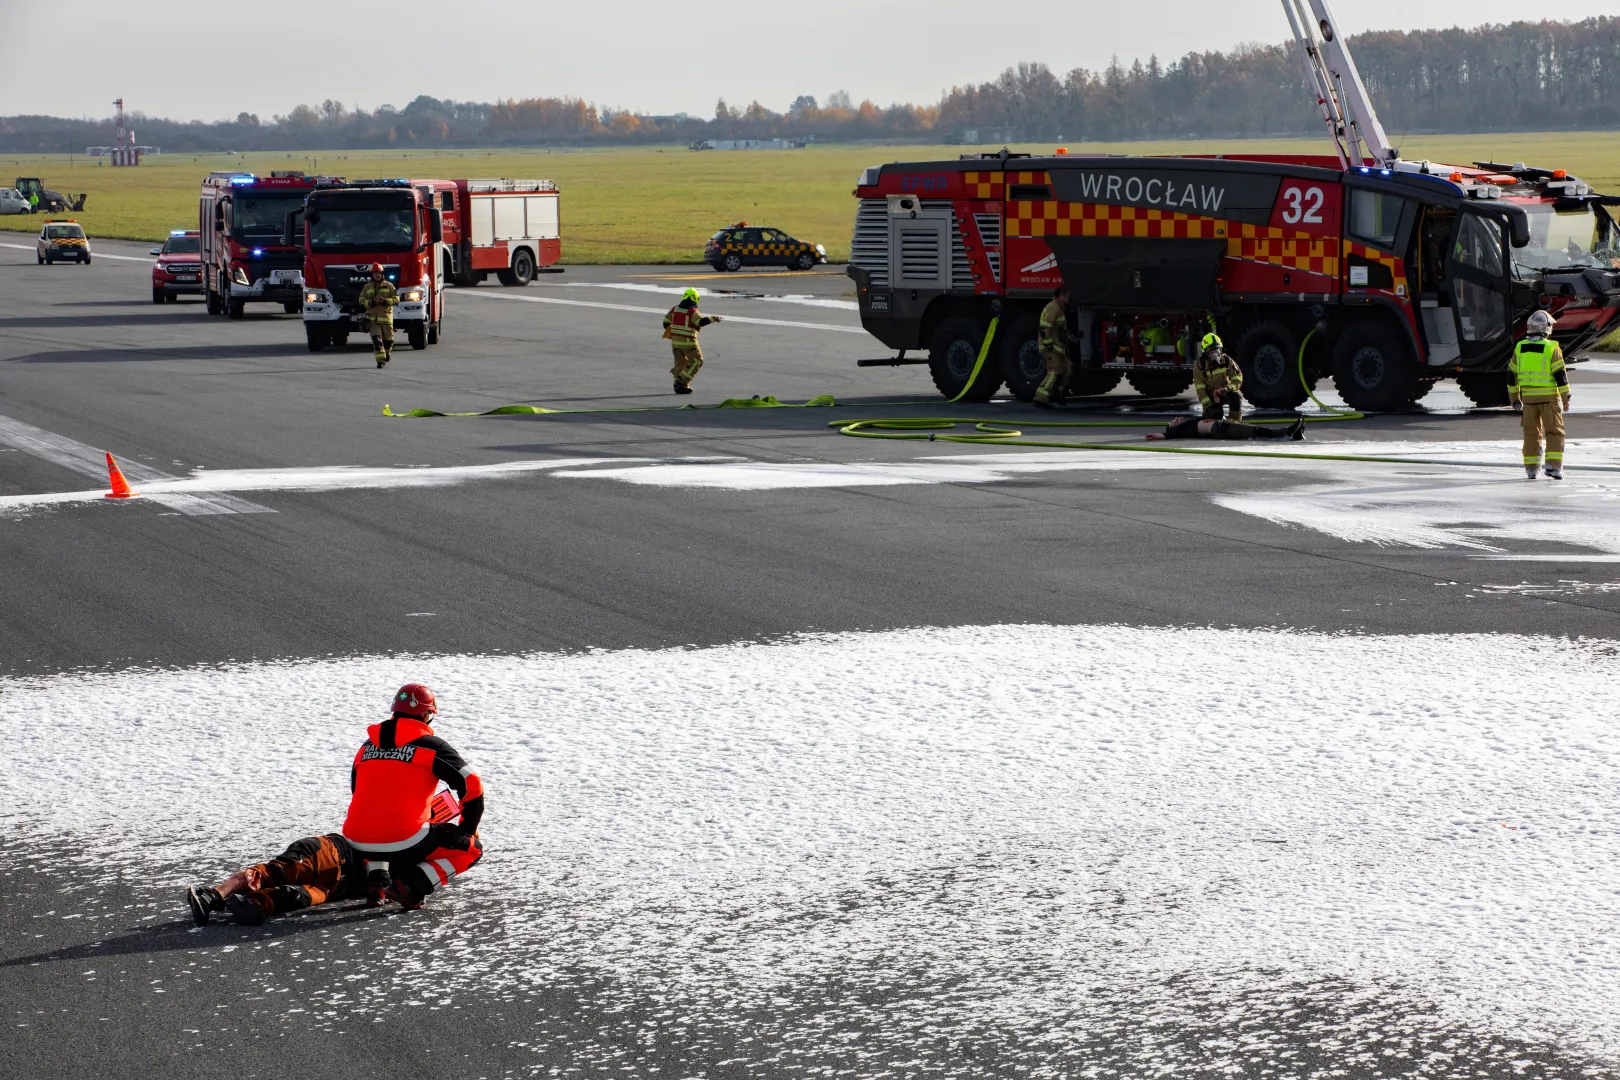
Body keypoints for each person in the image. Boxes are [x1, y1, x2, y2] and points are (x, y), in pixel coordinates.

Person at [184, 791, 467, 926]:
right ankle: (213, 896)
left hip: (337, 888)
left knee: (292, 898)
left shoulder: (421, 858)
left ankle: (249, 906)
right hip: (334, 853)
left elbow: (401, 889)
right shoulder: (392, 823)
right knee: (278, 871)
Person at [342, 683, 485, 911]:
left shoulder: (366, 747)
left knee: (380, 824)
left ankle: (376, 881)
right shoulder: (431, 747)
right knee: (472, 849)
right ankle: (410, 886)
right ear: (427, 714)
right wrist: (467, 828)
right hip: (403, 839)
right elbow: (472, 784)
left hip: (356, 840)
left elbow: (357, 790)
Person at [186, 833, 362, 926]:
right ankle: (212, 896)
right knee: (272, 873)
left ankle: (251, 905)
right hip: (327, 852)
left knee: (295, 896)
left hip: (330, 888)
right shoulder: (380, 842)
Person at [1508, 309, 1570, 479]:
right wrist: (1566, 397)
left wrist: (1515, 398)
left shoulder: (1520, 348)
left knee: (1531, 434)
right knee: (1555, 432)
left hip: (1528, 401)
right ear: (1547, 328)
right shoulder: (1551, 348)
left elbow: (1511, 375)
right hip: (1549, 399)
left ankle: (1531, 469)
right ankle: (1553, 467)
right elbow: (1560, 376)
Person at [663, 288, 723, 394]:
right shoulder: (692, 311)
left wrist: (673, 332)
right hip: (689, 342)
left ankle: (679, 385)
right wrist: (713, 318)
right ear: (696, 299)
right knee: (697, 361)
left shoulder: (675, 309)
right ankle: (681, 382)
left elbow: (665, 322)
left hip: (675, 343)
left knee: (680, 364)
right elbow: (699, 322)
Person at [1034, 285, 1074, 408]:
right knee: (1053, 372)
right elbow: (1045, 327)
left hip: (1058, 347)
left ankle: (1057, 394)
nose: (1069, 297)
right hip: (1052, 347)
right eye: (1067, 295)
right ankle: (1040, 399)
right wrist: (1048, 346)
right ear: (1061, 295)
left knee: (1067, 369)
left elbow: (1061, 328)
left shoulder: (1059, 308)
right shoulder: (1054, 308)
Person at [357, 263, 399, 368]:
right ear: (372, 274)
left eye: (379, 273)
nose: (377, 275)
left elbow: (396, 298)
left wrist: (385, 301)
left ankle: (387, 352)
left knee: (388, 340)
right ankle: (380, 361)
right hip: (373, 319)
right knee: (377, 341)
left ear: (382, 274)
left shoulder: (389, 285)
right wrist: (371, 302)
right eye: (375, 273)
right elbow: (361, 300)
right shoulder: (367, 287)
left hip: (386, 318)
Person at [1193, 332, 1243, 420]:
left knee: (1236, 397)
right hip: (1210, 397)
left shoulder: (1227, 360)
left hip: (1225, 392)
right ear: (1205, 353)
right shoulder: (1200, 366)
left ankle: (1235, 423)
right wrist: (1209, 405)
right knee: (1213, 419)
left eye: (1217, 350)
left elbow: (1237, 378)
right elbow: (1200, 389)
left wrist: (1228, 388)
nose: (1215, 355)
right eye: (1211, 352)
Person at [1147, 416, 1306, 441]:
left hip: (1221, 425)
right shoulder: (1179, 429)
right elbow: (1167, 435)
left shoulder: (1187, 423)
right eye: (1172, 421)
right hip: (1219, 428)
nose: (1175, 419)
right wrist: (1157, 435)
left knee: (1253, 430)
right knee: (1254, 431)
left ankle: (1292, 433)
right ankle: (1287, 433)